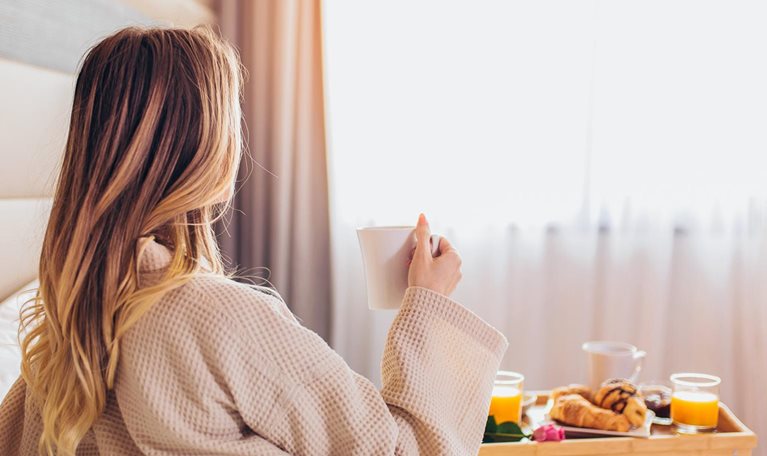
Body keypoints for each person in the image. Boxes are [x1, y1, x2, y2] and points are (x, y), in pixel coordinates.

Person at [0, 26, 507, 455]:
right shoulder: (216, 316)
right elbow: (402, 449)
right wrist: (427, 305)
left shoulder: (58, 342)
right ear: (209, 152)